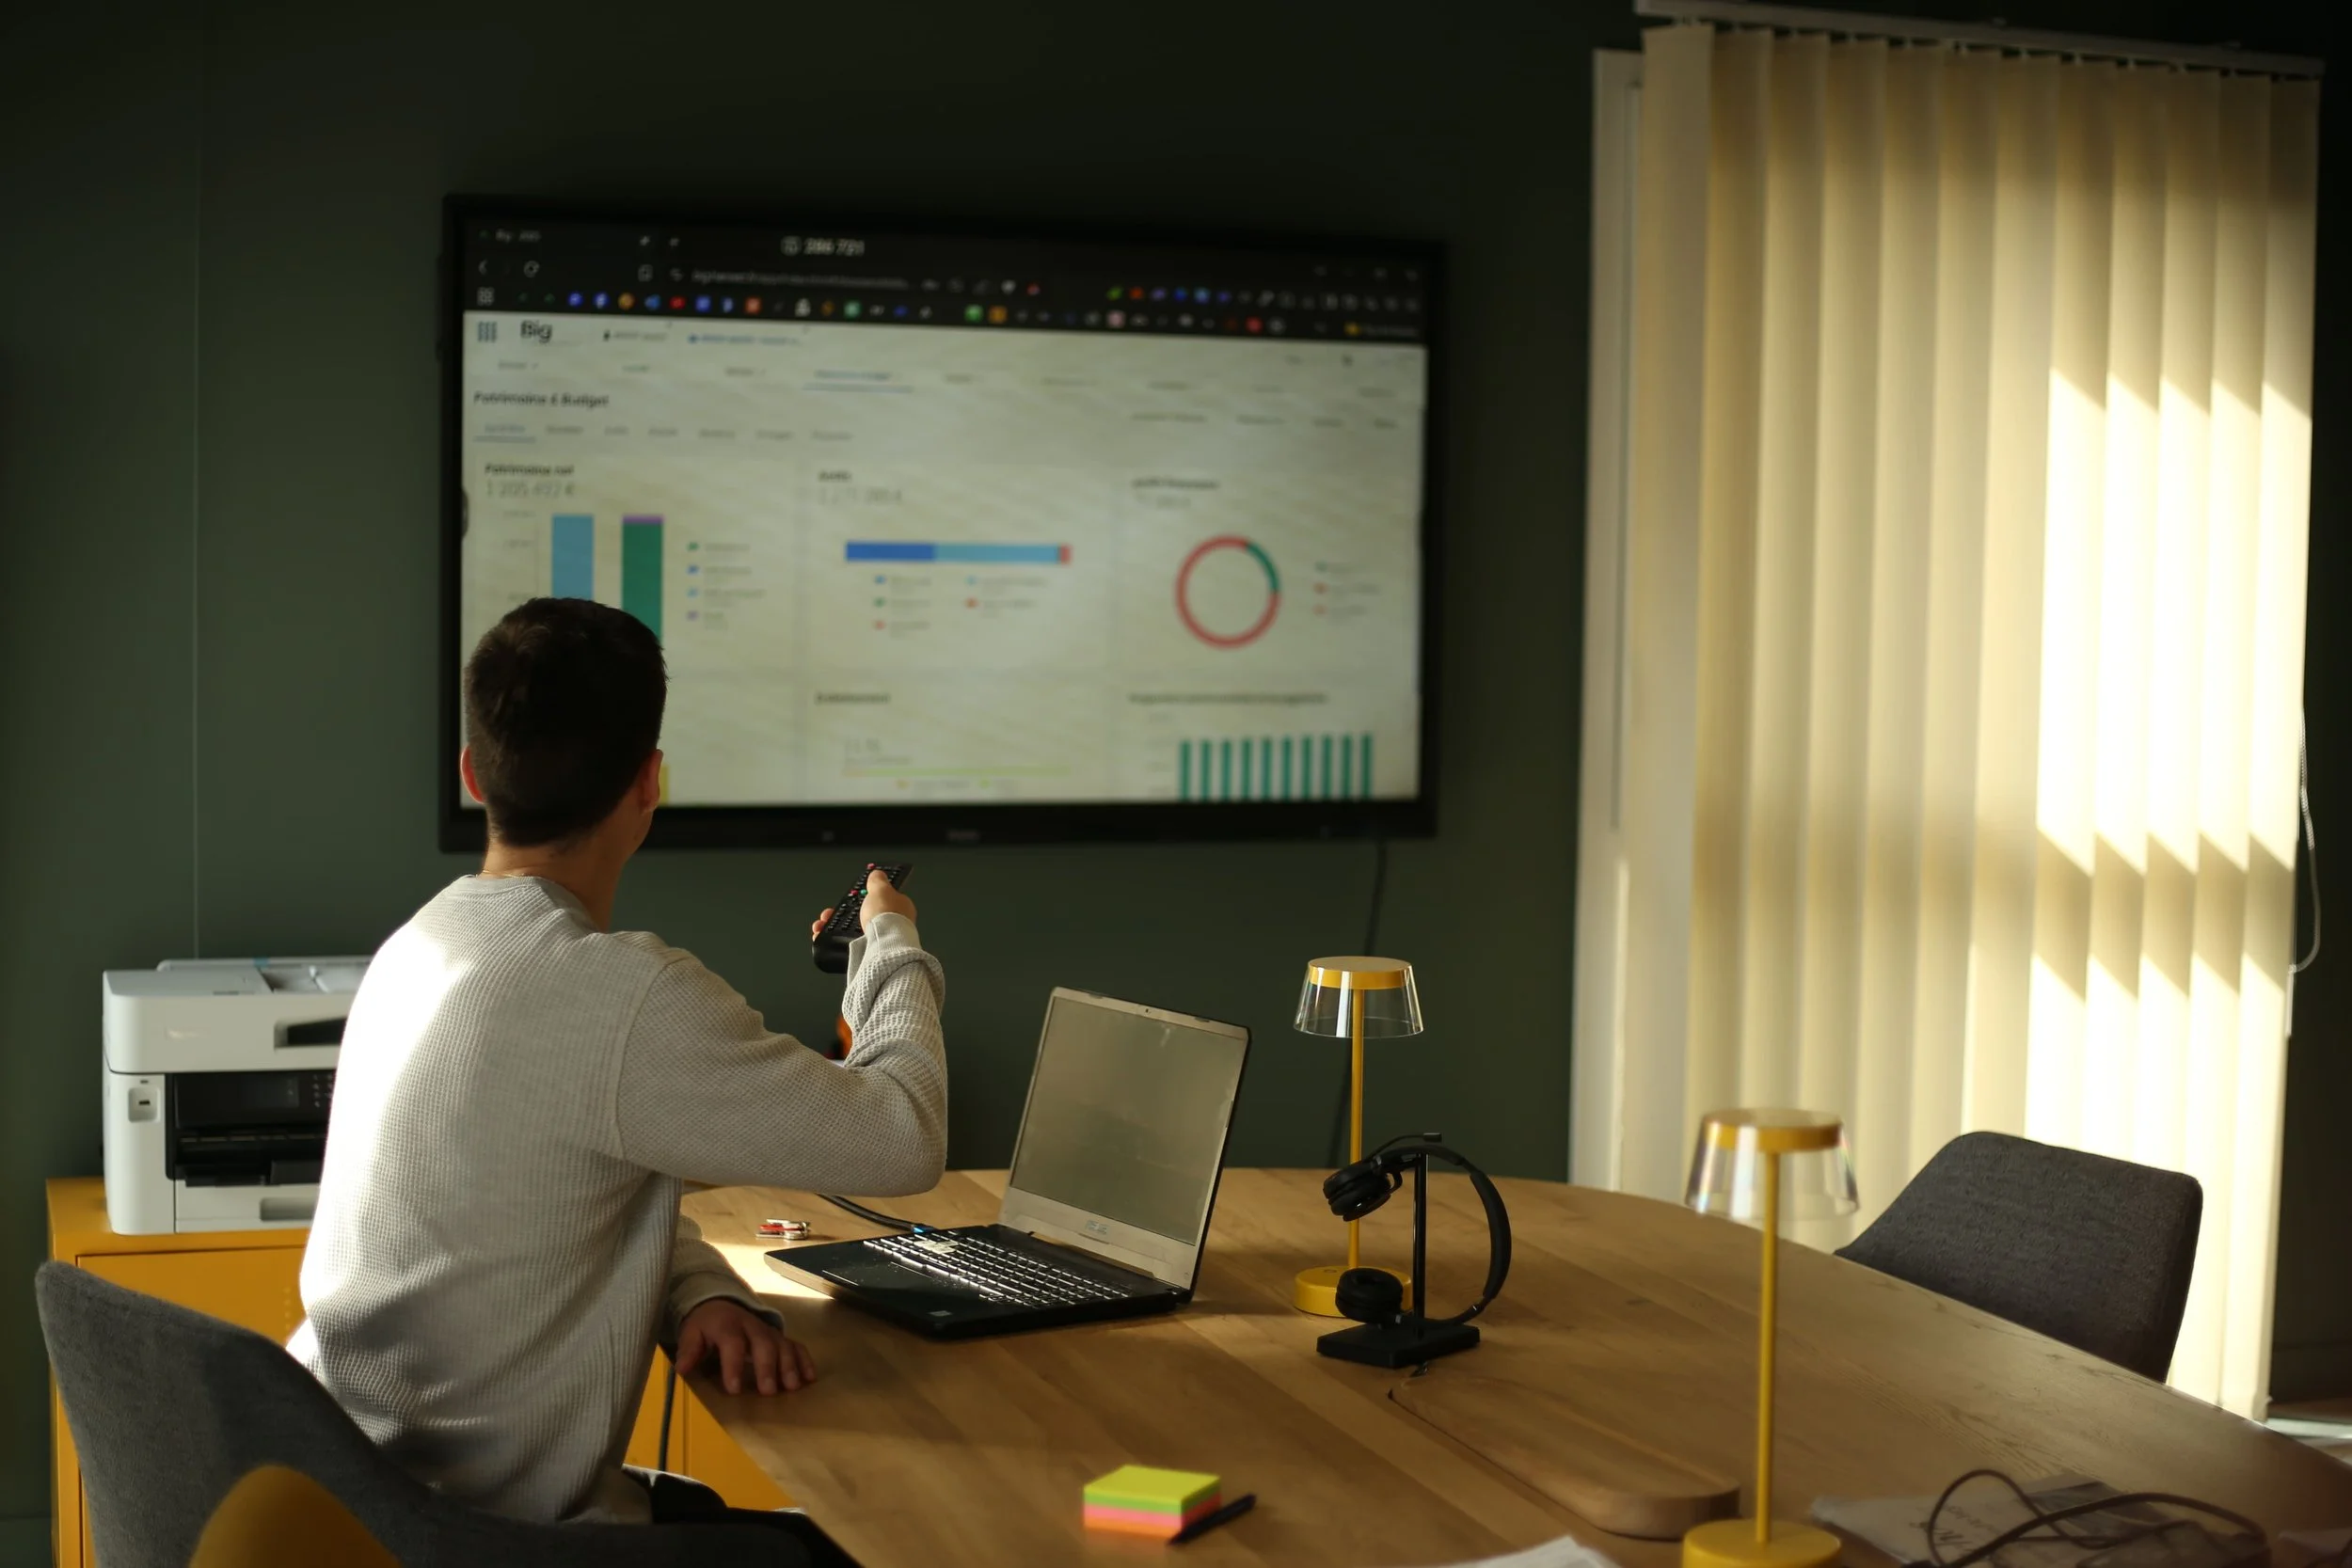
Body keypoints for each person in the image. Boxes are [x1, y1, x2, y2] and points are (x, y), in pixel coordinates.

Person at [289, 596, 946, 1541]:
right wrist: (889, 937)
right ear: (649, 783)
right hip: (498, 1535)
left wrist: (699, 1288)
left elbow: (541, 1195)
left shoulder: (418, 945)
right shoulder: (618, 993)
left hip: (363, 1497)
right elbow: (904, 1132)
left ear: (475, 774)